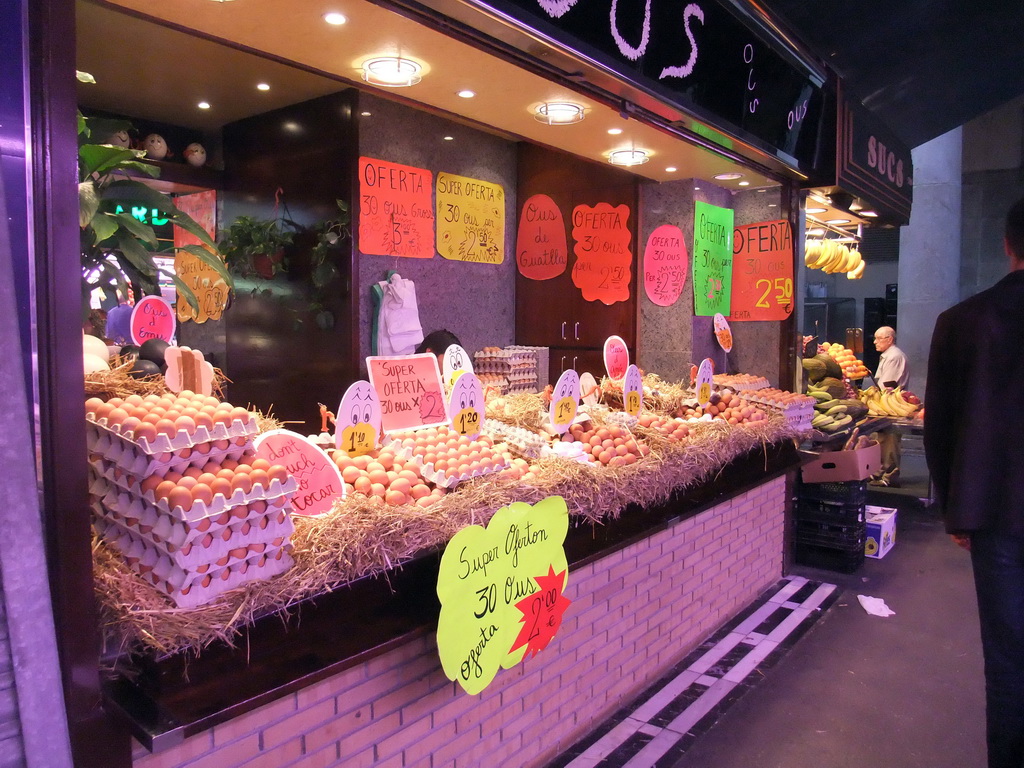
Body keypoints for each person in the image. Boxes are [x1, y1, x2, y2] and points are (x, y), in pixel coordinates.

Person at [924, 195, 1024, 768]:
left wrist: (953, 511)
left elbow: (941, 424)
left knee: (1008, 659)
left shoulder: (961, 322)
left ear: (1008, 244)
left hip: (992, 512)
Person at [870, 326, 910, 487]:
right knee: (881, 438)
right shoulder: (887, 356)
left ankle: (889, 475)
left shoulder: (895, 357)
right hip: (884, 402)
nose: (875, 342)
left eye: (879, 338)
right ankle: (878, 473)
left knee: (891, 439)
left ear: (889, 339)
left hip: (891, 403)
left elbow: (887, 385)